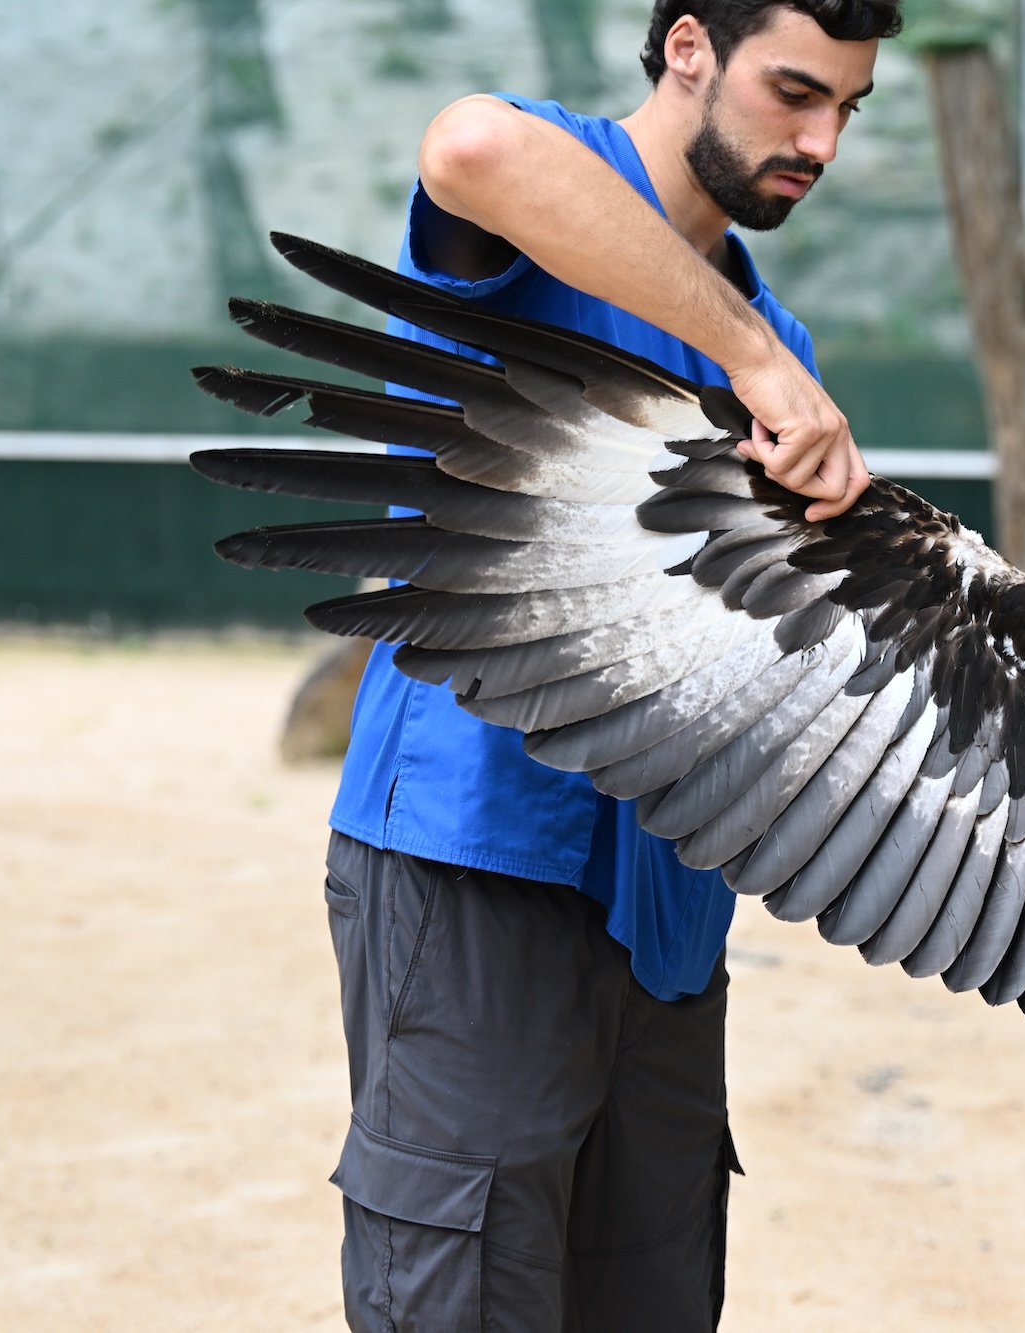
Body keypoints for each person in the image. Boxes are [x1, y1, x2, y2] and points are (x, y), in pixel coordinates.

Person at [318, 2, 901, 1328]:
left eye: (850, 110)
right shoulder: (543, 201)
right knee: (461, 1284)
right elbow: (467, 146)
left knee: (653, 1291)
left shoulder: (784, 351)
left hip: (673, 905)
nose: (821, 141)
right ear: (688, 47)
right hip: (476, 852)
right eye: (795, 91)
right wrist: (753, 361)